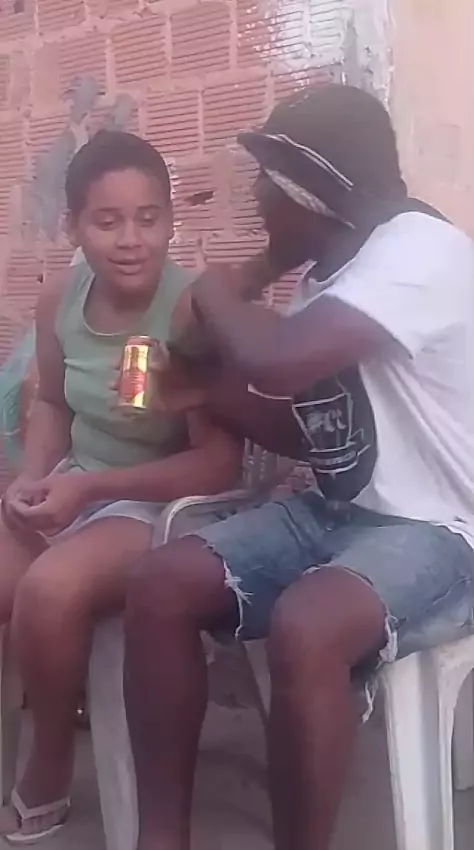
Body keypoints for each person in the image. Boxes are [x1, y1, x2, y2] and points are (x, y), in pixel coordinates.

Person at [123, 84, 474, 850]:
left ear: (315, 194)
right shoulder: (332, 277)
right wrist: (205, 392)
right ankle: (160, 840)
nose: (256, 199)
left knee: (309, 624)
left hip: (446, 532)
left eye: (270, 182)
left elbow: (276, 361)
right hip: (342, 515)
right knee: (158, 585)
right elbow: (320, 436)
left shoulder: (422, 250)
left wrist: (224, 285)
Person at [0, 130, 242, 843]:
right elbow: (52, 404)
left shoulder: (192, 309)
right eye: (107, 221)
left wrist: (93, 489)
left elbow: (218, 466)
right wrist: (34, 478)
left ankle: (48, 760)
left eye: (149, 218)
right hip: (81, 485)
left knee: (50, 590)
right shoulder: (58, 299)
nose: (132, 240)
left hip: (168, 508)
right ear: (73, 226)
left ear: (170, 219)